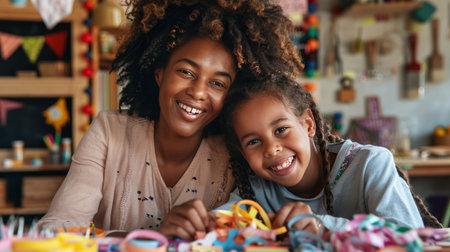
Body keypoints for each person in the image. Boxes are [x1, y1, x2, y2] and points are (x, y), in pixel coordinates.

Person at [38, 0, 304, 240]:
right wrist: (150, 236)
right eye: (186, 72)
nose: (198, 92)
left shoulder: (236, 151)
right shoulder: (109, 132)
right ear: (159, 74)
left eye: (217, 83)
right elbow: (53, 232)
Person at [218, 74, 442, 234]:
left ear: (308, 124)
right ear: (242, 152)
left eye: (281, 130)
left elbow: (408, 235)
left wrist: (322, 226)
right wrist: (199, 221)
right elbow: (222, 221)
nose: (271, 148)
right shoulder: (256, 189)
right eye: (254, 141)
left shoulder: (370, 164)